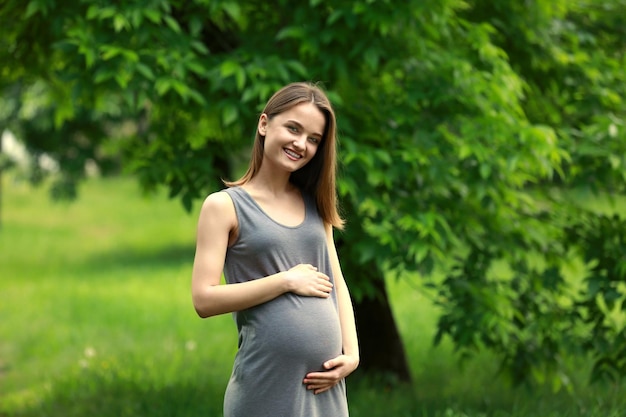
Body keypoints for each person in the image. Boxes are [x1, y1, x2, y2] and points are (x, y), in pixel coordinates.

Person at [191, 82, 360, 417]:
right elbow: (204, 299)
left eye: (314, 139)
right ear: (264, 124)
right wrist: (285, 281)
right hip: (266, 386)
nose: (301, 144)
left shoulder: (315, 203)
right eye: (293, 129)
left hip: (325, 386)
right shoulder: (224, 206)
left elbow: (337, 282)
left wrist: (352, 354)